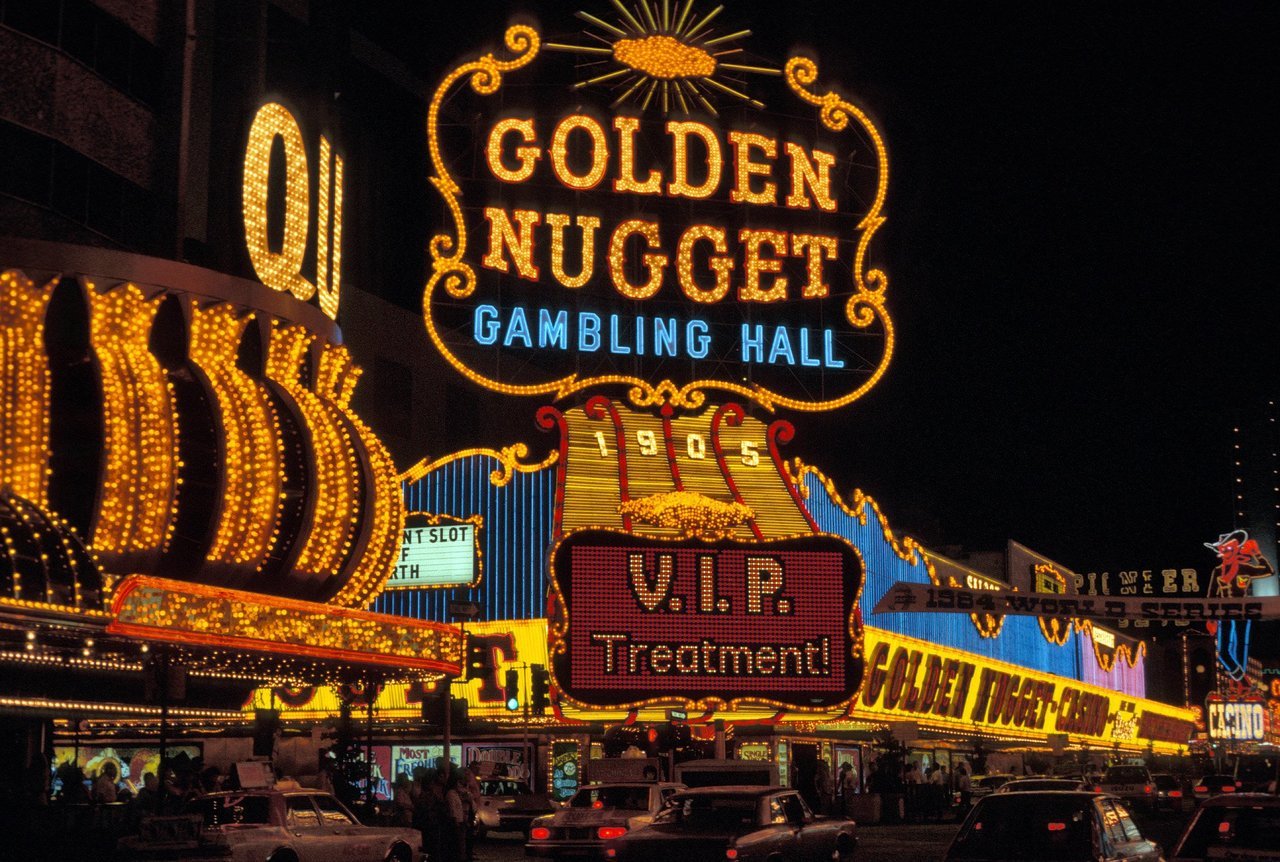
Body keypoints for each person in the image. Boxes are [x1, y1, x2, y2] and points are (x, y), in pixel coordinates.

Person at [444, 771, 468, 862]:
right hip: (456, 823)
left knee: (461, 846)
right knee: (457, 846)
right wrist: (456, 822)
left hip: (460, 822)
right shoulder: (451, 794)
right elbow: (452, 809)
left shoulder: (456, 793)